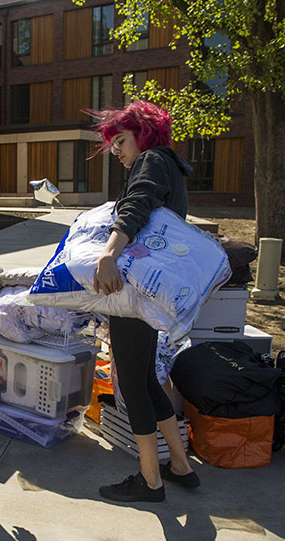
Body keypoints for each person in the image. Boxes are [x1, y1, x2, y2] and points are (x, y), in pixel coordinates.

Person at [89, 100, 201, 502]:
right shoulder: (167, 164)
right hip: (152, 290)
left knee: (132, 383)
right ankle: (181, 466)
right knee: (148, 380)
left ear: (144, 134)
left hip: (134, 292)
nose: (116, 150)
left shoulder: (151, 162)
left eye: (120, 141)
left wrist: (108, 255)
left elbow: (135, 209)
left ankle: (150, 480)